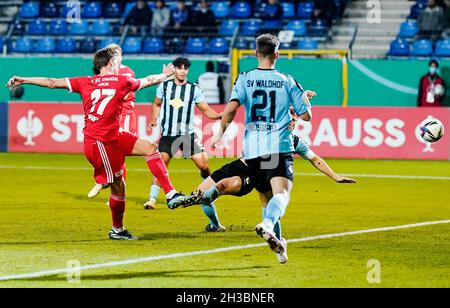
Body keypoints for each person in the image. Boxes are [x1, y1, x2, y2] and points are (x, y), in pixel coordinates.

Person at [5, 47, 192, 241]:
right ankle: (117, 230)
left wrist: (24, 79)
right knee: (118, 186)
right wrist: (166, 74)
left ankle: (171, 194)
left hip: (113, 135)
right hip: (100, 142)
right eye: (117, 61)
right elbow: (149, 81)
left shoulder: (85, 81)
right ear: (111, 63)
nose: (120, 64)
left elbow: (52, 83)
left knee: (150, 148)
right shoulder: (122, 81)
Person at [211, 34, 312, 261]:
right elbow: (306, 116)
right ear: (277, 54)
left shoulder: (244, 78)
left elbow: (231, 108)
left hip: (253, 151)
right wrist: (305, 99)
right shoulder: (287, 80)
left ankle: (280, 250)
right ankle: (267, 224)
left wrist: (219, 133)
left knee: (267, 199)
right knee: (282, 195)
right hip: (278, 146)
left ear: (256, 53)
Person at [144, 57, 223, 231]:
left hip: (187, 135)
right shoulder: (165, 86)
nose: (182, 71)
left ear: (188, 70)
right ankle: (152, 198)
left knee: (204, 165)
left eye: (185, 68)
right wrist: (153, 119)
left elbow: (204, 108)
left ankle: (210, 189)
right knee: (161, 165)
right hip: (168, 135)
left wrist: (218, 115)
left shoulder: (194, 89)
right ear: (175, 70)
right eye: (179, 68)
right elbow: (156, 104)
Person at [87, 44, 138, 199]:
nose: (114, 56)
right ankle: (103, 180)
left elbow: (127, 93)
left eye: (116, 53)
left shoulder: (127, 72)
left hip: (125, 115)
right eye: (111, 53)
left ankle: (116, 192)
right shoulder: (105, 71)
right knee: (102, 149)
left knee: (119, 153)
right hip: (109, 117)